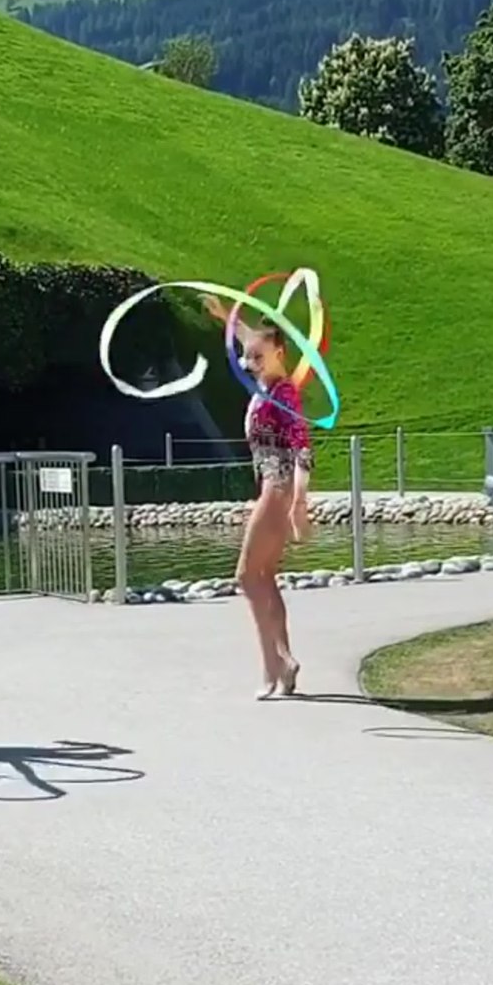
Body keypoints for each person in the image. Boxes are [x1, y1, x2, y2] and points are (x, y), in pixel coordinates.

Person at [204, 296, 313, 699]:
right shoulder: (267, 384)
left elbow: (303, 449)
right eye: (248, 357)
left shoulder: (284, 394)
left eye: (257, 357)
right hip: (271, 487)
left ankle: (273, 665)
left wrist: (299, 502)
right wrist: (226, 316)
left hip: (277, 488)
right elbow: (253, 338)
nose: (250, 363)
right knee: (265, 576)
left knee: (246, 576)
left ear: (279, 353)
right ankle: (286, 665)